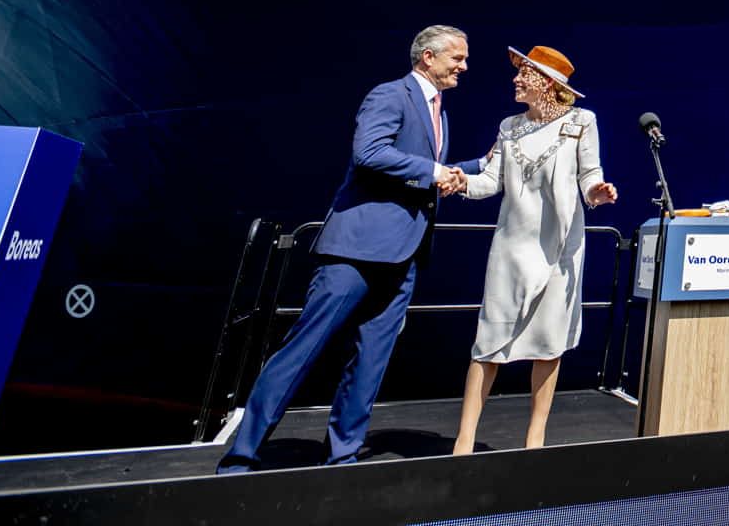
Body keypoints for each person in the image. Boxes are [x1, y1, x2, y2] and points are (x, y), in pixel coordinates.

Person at [219, 26, 486, 471]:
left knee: (370, 361)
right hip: (355, 253)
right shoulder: (390, 95)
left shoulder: (440, 112)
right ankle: (242, 455)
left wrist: (479, 165)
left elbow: (426, 169)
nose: (464, 66)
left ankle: (342, 456)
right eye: (457, 58)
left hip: (404, 256)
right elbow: (370, 153)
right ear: (428, 57)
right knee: (302, 350)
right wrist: (435, 172)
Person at [451, 46, 616, 454]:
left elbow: (590, 173)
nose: (515, 80)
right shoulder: (509, 127)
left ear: (546, 83)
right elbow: (491, 180)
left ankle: (535, 438)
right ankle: (463, 441)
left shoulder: (581, 122)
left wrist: (596, 192)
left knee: (548, 341)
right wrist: (462, 183)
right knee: (488, 340)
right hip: (512, 247)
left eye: (524, 74)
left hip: (560, 251)